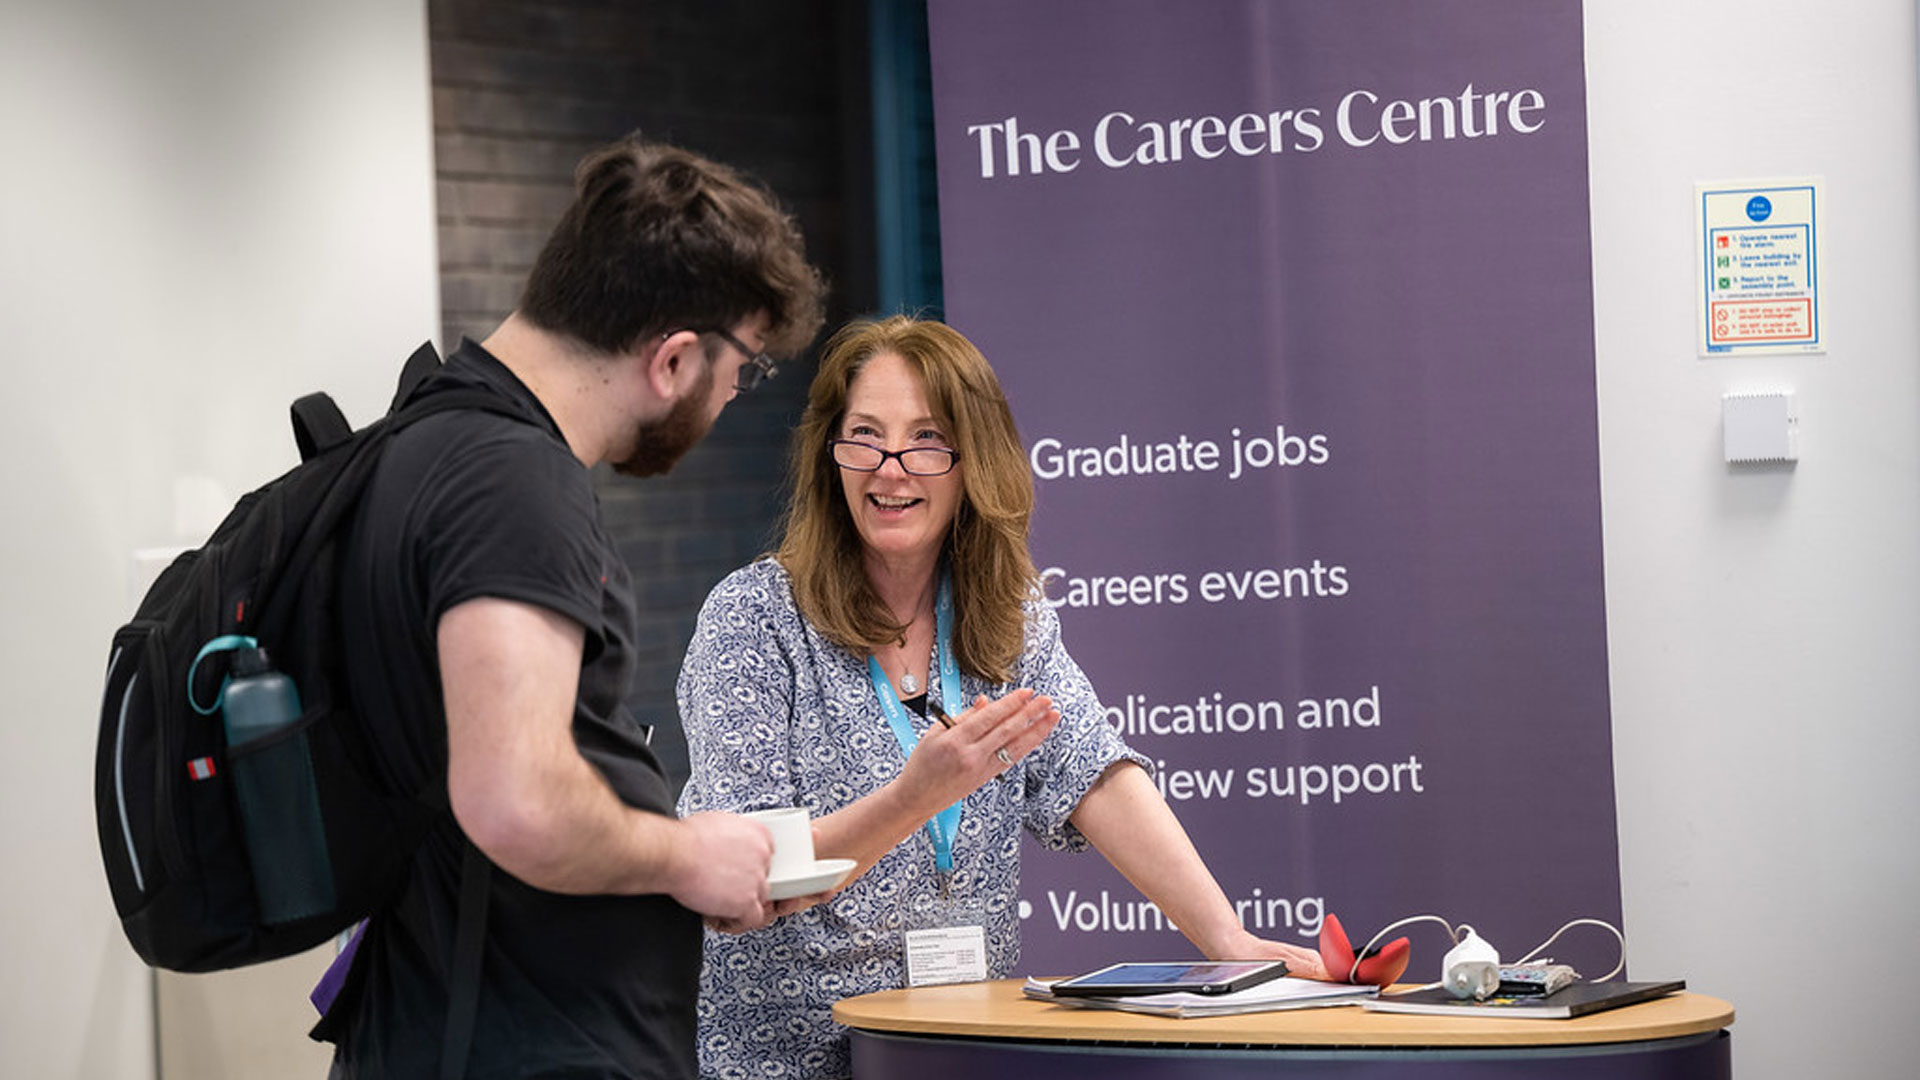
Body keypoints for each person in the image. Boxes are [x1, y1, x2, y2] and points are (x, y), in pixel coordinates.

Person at [676, 316, 1327, 1079]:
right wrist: (915, 797)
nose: (891, 469)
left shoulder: (1004, 614)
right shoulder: (753, 620)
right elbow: (746, 874)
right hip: (794, 1061)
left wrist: (1229, 943)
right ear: (830, 457)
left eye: (925, 439)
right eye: (864, 436)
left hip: (961, 1052)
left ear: (970, 462)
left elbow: (1093, 770)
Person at [322, 134, 826, 1079]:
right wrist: (686, 858)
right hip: (513, 1046)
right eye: (743, 367)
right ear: (674, 358)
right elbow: (515, 802)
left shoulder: (423, 438)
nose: (730, 397)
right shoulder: (513, 488)